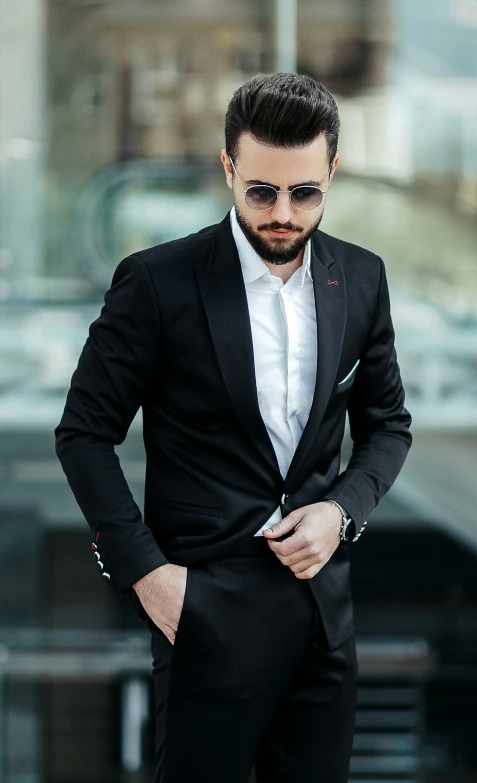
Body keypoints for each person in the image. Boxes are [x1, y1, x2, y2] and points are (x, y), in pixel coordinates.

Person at [54, 71, 413, 783]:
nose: (283, 213)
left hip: (322, 622)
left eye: (305, 192)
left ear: (332, 173)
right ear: (228, 168)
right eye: (261, 191)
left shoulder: (363, 278)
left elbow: (389, 425)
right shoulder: (157, 282)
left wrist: (341, 511)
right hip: (201, 610)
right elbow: (83, 433)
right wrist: (149, 576)